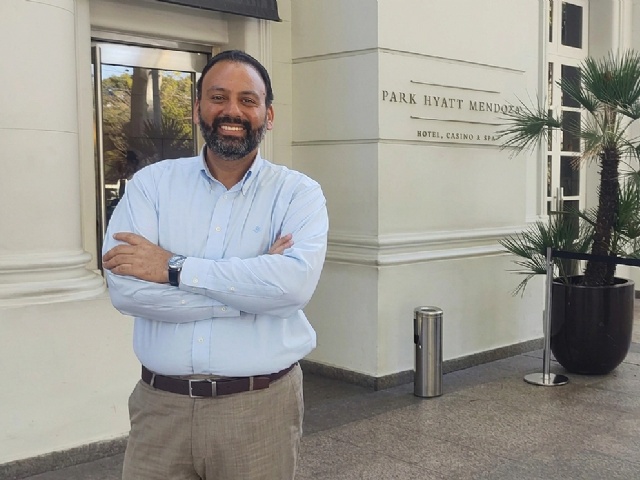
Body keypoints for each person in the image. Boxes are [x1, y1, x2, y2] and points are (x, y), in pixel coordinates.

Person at [102, 49, 328, 480]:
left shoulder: (298, 194)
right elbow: (126, 290)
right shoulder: (152, 185)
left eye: (248, 100)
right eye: (218, 97)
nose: (232, 111)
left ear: (268, 115)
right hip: (160, 409)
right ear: (197, 109)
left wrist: (172, 268)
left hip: (260, 409)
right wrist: (249, 296)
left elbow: (293, 287)